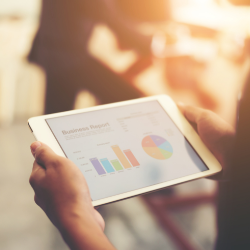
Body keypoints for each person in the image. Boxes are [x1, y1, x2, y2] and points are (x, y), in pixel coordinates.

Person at [29, 1, 250, 250]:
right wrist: (232, 152)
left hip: (66, 52)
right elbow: (105, 14)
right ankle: (106, 175)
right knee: (62, 119)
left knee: (64, 117)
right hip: (65, 53)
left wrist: (74, 216)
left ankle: (121, 177)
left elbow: (106, 15)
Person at [29, 0, 165, 114]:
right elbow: (109, 16)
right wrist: (151, 42)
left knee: (57, 113)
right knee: (126, 96)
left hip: (54, 51)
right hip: (69, 57)